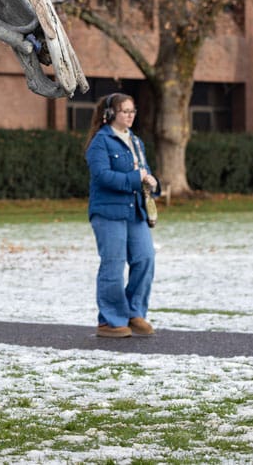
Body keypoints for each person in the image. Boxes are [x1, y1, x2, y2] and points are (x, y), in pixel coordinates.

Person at [85, 93, 160, 338]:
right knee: (113, 265)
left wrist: (150, 181)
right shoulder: (101, 141)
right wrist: (134, 179)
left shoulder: (136, 142)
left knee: (145, 258)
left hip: (135, 210)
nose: (130, 116)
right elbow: (102, 176)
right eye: (124, 111)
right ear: (109, 114)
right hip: (108, 212)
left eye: (132, 111)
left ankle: (134, 313)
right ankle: (110, 321)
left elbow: (143, 171)